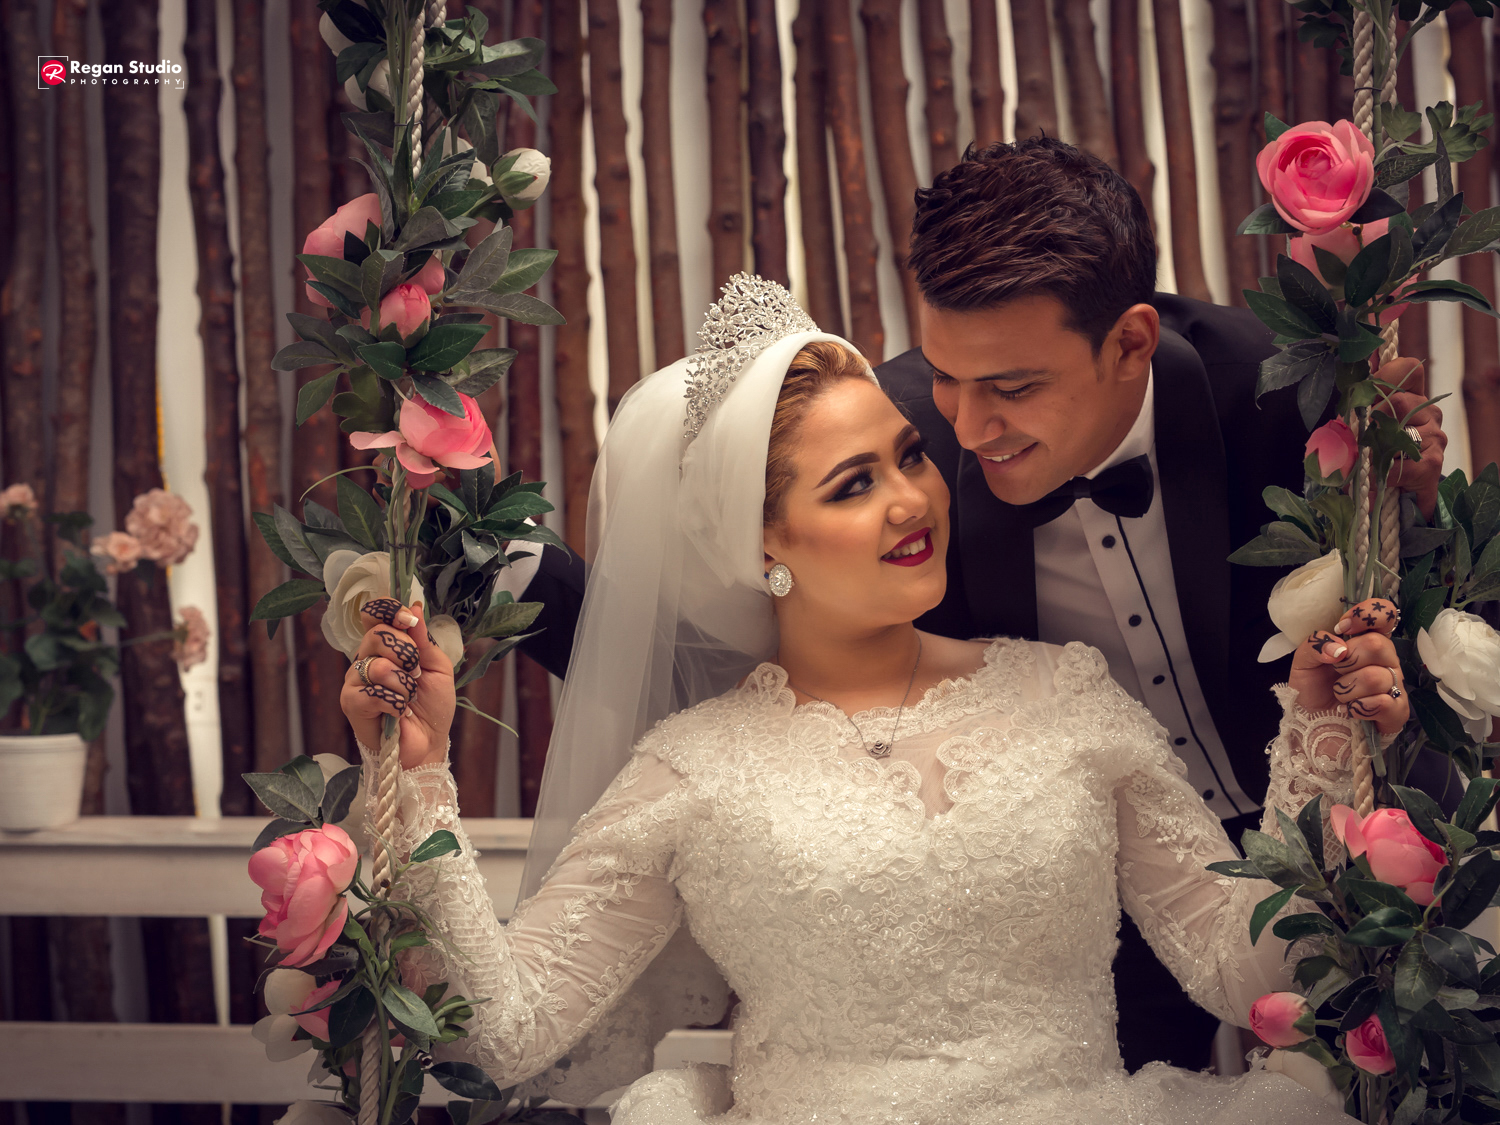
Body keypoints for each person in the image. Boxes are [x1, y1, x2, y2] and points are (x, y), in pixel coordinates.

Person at [341, 277, 1403, 1123]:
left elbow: (1245, 970)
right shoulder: (692, 768)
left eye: (910, 456)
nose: (914, 499)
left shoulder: (1068, 694)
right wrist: (417, 777)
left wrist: (1319, 734)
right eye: (853, 484)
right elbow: (508, 1030)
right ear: (759, 542)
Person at [507, 138, 1452, 1071]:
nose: (962, 429)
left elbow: (1403, 598)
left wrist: (1405, 503)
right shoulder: (895, 443)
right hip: (1072, 901)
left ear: (1130, 343)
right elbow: (709, 642)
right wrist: (501, 572)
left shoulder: (1285, 393)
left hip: (1324, 826)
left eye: (1011, 387)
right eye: (944, 377)